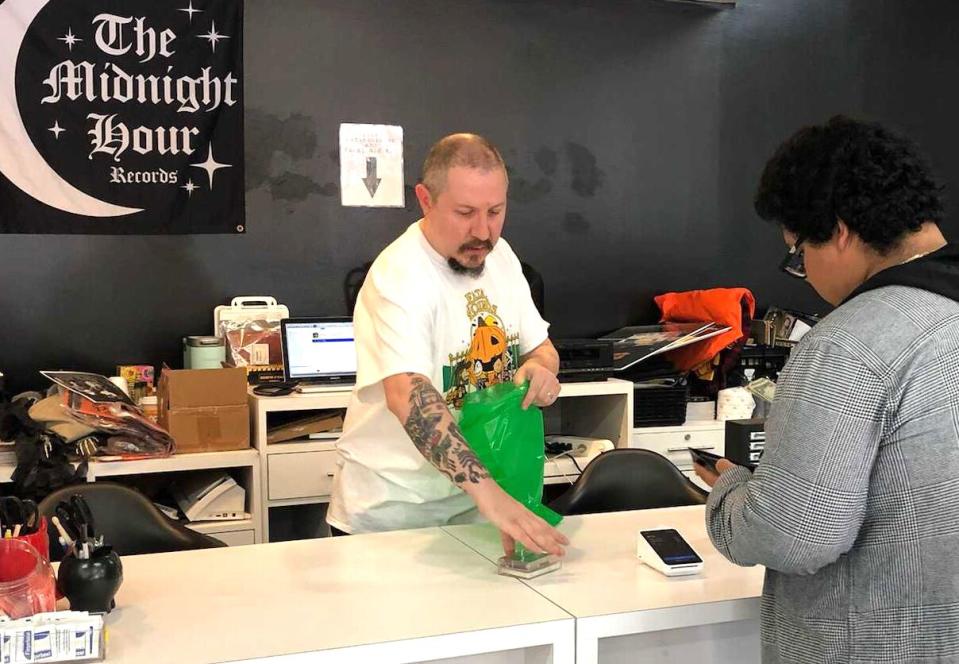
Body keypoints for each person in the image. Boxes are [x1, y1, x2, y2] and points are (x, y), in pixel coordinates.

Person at [695, 115, 959, 662]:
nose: (806, 273)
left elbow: (796, 532)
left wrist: (730, 494)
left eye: (798, 254)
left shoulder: (850, 343)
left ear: (838, 231)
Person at [327, 133, 568, 558]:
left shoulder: (503, 258)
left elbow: (541, 347)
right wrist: (491, 497)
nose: (483, 231)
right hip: (396, 517)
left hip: (478, 508)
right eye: (465, 213)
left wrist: (541, 369)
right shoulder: (399, 276)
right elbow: (409, 396)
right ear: (425, 199)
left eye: (496, 212)